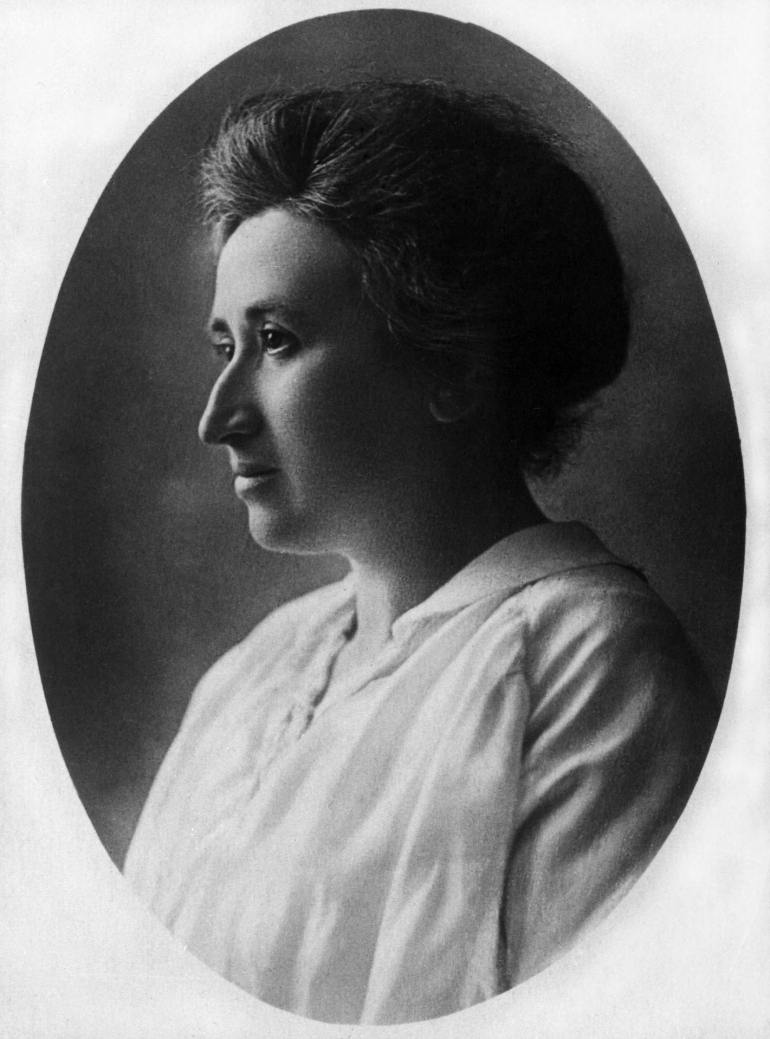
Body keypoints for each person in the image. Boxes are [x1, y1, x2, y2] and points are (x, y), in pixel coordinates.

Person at [123, 80, 718, 1025]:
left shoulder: (590, 665)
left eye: (277, 340)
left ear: (454, 364)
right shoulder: (251, 675)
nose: (218, 417)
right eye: (223, 345)